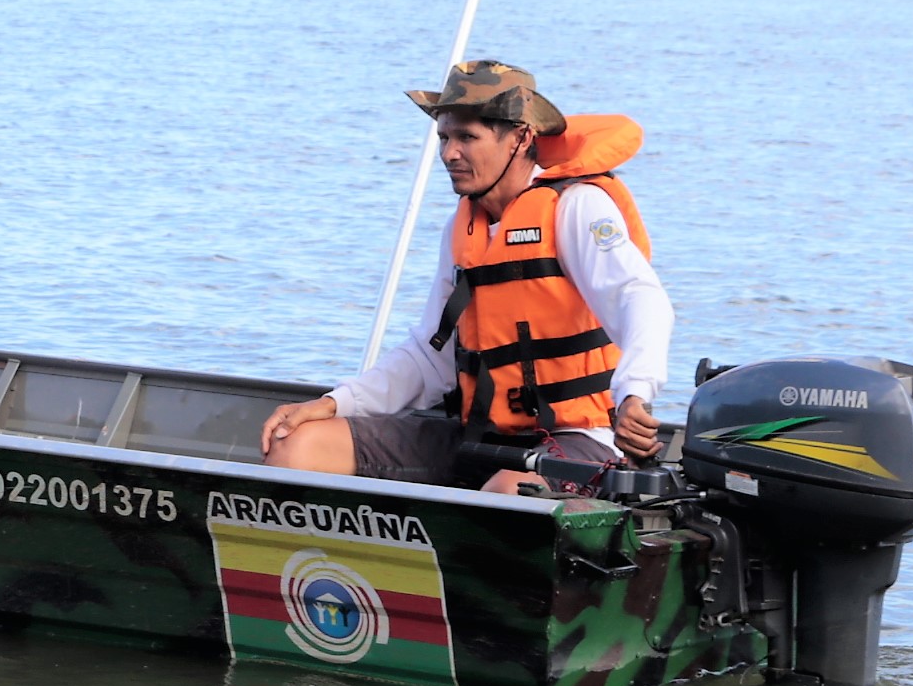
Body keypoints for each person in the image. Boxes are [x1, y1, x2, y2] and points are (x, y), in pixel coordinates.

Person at [262, 62, 670, 496]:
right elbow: (429, 358)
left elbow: (640, 299)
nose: (448, 153)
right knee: (295, 445)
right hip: (478, 437)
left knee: (508, 493)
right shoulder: (463, 230)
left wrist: (633, 394)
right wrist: (332, 403)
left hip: (577, 441)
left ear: (521, 137)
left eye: (466, 137)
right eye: (444, 137)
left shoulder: (576, 207)